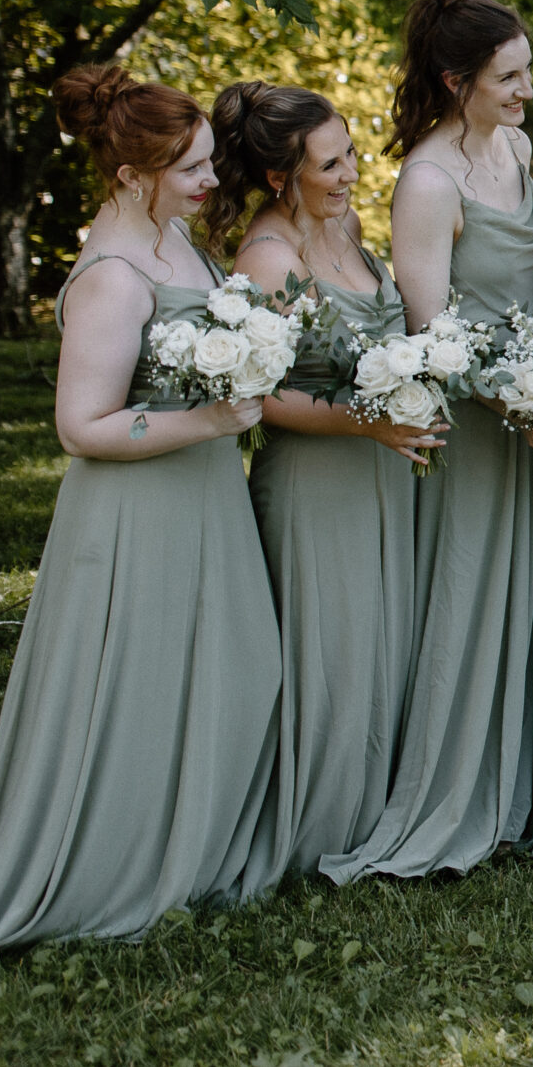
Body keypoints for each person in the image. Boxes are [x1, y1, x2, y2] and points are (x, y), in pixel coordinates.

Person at [0, 68, 279, 946]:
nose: (208, 180)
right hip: (135, 508)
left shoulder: (177, 238)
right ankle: (116, 863)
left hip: (201, 493)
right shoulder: (112, 276)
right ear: (128, 174)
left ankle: (186, 849)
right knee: (135, 689)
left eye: (206, 161)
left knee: (232, 666)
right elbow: (80, 426)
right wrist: (211, 418)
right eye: (189, 167)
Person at [327, 0, 533, 884]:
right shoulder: (428, 182)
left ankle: (511, 784)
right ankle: (443, 794)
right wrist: (515, 398)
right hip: (473, 423)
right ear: (455, 80)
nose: (526, 93)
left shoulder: (511, 144)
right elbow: (428, 331)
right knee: (468, 600)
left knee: (526, 593)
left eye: (526, 72)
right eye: (508, 77)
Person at [210, 83, 435, 881]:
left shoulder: (345, 225)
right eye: (329, 163)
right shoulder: (269, 258)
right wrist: (366, 421)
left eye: (349, 153)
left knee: (374, 643)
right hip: (313, 475)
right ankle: (310, 828)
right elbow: (257, 396)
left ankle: (369, 812)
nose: (350, 173)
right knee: (327, 652)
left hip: (378, 467)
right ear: (280, 177)